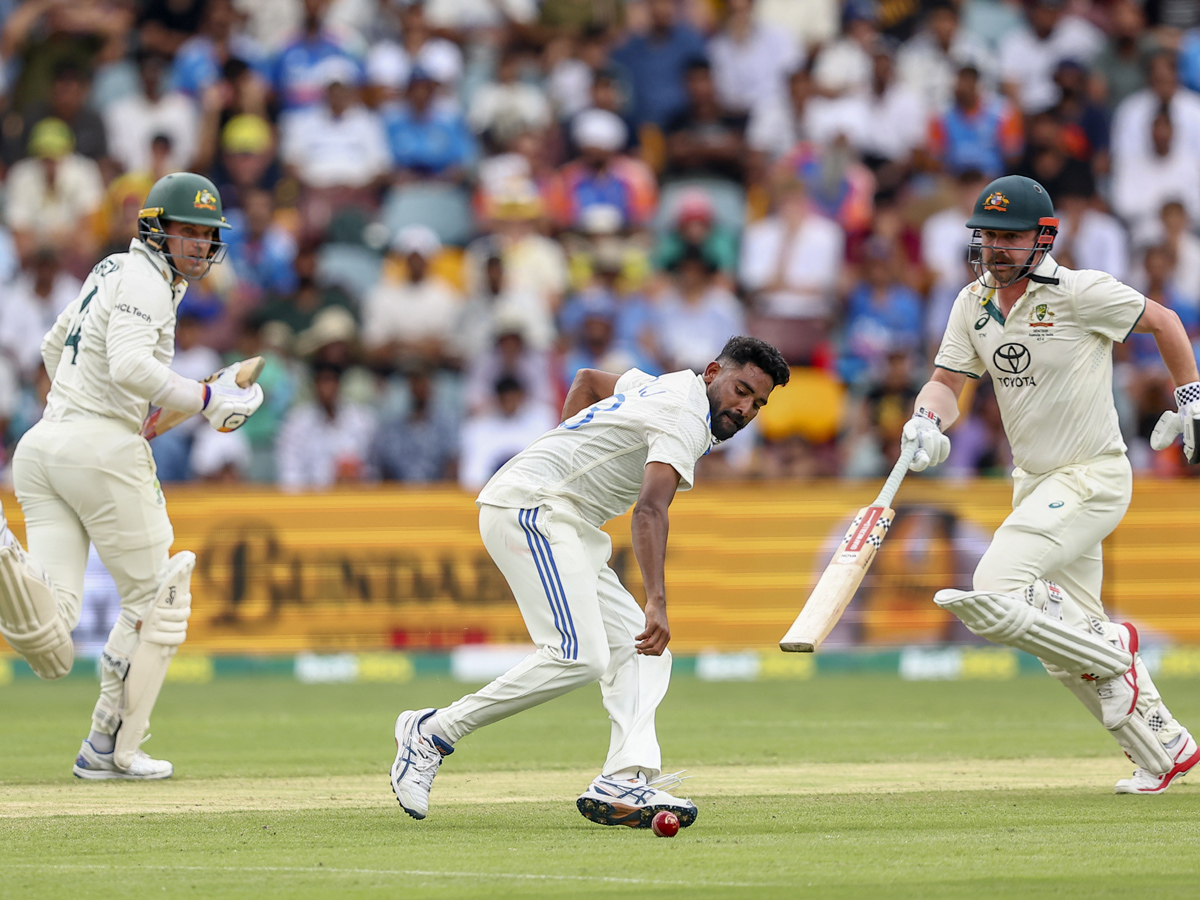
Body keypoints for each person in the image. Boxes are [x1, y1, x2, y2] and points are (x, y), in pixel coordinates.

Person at [389, 336, 790, 825]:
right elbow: (649, 510)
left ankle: (623, 779)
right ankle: (431, 731)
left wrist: (571, 445)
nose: (746, 408)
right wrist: (657, 602)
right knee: (580, 655)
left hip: (564, 519)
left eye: (758, 402)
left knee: (643, 649)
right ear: (712, 372)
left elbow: (587, 381)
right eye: (741, 389)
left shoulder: (662, 385)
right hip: (532, 508)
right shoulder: (683, 417)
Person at [901, 174, 1199, 794]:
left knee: (996, 586)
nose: (994, 249)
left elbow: (1166, 322)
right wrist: (925, 419)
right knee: (1062, 653)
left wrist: (1191, 397)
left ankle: (1111, 643)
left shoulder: (1080, 292)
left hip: (1092, 475)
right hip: (1033, 483)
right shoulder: (970, 304)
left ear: (1044, 238)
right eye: (986, 236)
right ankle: (1163, 749)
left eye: (1009, 238)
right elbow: (947, 383)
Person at [0, 172, 264, 780]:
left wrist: (104, 410)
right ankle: (113, 749)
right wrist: (201, 398)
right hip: (101, 450)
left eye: (207, 234)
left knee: (53, 640)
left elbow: (53, 345)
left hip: (42, 446)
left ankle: (6, 557)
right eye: (188, 232)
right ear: (156, 229)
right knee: (160, 601)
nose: (199, 245)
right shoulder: (146, 281)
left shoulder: (110, 270)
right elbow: (125, 364)